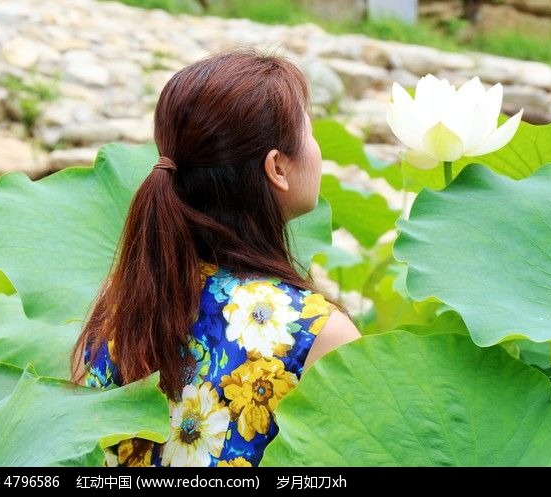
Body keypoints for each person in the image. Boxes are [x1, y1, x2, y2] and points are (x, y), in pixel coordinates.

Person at [70, 48, 361, 467]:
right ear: (277, 168)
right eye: (309, 132)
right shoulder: (317, 334)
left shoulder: (119, 302)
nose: (317, 150)